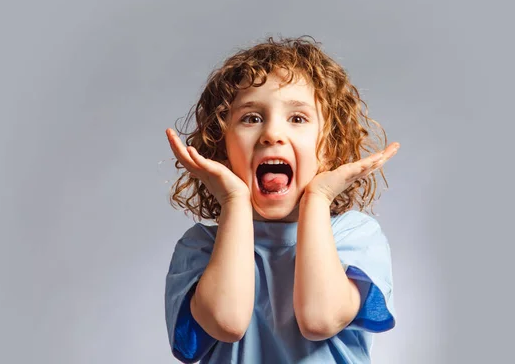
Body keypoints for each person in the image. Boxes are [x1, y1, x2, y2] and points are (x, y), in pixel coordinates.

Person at [164, 36, 400, 363]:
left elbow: (320, 320)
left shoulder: (354, 237)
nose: (272, 134)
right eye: (251, 118)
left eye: (297, 118)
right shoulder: (200, 248)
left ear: (328, 150)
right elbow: (226, 323)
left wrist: (317, 198)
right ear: (222, 150)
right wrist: (234, 201)